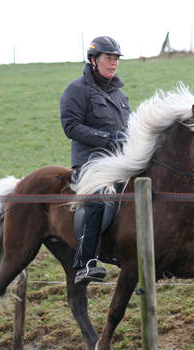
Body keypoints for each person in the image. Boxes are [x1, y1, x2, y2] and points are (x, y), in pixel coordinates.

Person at [60, 36, 131, 284]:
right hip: (91, 162)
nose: (113, 64)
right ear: (93, 60)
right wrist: (105, 138)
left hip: (120, 162)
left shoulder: (121, 95)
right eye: (108, 58)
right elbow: (70, 126)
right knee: (98, 197)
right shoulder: (76, 90)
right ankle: (85, 262)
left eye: (116, 59)